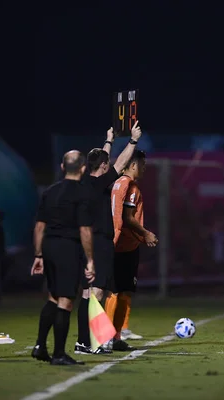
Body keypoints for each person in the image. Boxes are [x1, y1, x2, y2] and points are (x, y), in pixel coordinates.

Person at [74, 122, 142, 355]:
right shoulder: (100, 183)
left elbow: (104, 160)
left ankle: (84, 341)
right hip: (98, 242)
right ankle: (90, 341)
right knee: (97, 293)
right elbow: (120, 163)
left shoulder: (86, 182)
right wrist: (133, 140)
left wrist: (109, 140)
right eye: (107, 164)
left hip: (85, 243)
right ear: (103, 166)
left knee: (88, 293)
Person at [30, 150, 95, 366]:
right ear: (83, 168)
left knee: (53, 296)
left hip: (48, 246)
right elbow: (85, 230)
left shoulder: (50, 191)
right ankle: (59, 354)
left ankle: (40, 346)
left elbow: (39, 226)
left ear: (62, 167)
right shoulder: (82, 193)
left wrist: (38, 254)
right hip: (68, 247)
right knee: (66, 301)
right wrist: (90, 259)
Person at [104, 150, 158, 351]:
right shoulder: (131, 186)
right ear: (133, 164)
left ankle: (113, 337)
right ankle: (109, 337)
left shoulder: (116, 183)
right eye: (142, 164)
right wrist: (145, 233)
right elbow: (128, 217)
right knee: (118, 292)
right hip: (124, 245)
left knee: (120, 292)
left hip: (117, 244)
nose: (144, 168)